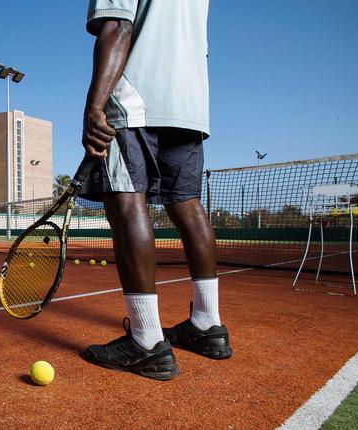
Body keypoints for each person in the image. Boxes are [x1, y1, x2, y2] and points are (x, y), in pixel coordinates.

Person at [79, 0, 232, 381]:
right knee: (188, 205)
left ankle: (147, 342)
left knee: (127, 204)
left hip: (135, 99)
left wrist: (94, 107)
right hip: (190, 105)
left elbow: (118, 26)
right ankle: (207, 324)